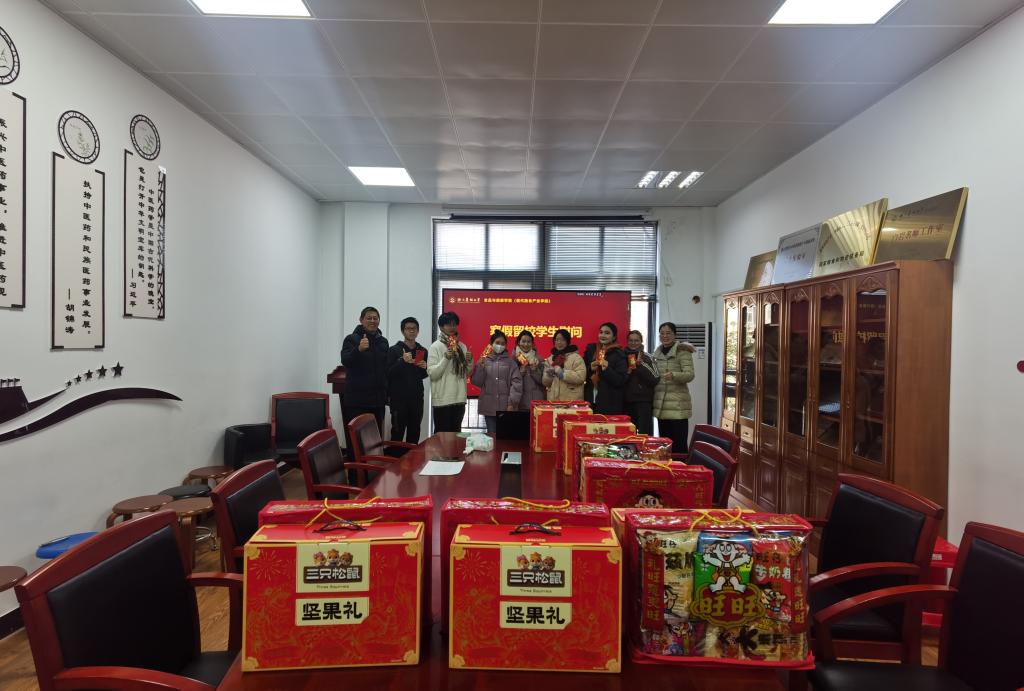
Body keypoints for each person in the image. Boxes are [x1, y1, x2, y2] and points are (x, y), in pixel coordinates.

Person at [340, 306, 390, 434]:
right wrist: (358, 350)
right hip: (358, 401)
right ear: (361, 320)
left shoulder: (383, 342)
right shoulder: (351, 339)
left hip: (378, 401)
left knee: (375, 438)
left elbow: (386, 369)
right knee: (357, 439)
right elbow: (345, 361)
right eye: (369, 318)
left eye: (375, 318)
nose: (372, 321)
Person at [652, 322, 696, 453]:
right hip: (661, 406)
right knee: (665, 446)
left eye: (668, 333)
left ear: (675, 335)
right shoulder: (656, 354)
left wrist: (674, 375)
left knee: (679, 446)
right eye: (662, 333)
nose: (665, 336)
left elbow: (690, 375)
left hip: (678, 405)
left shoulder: (683, 352)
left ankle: (682, 466)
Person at [427, 311, 472, 433]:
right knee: (442, 437)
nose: (452, 327)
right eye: (448, 324)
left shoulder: (462, 346)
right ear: (441, 327)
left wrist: (469, 361)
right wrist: (446, 358)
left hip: (459, 399)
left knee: (456, 435)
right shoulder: (435, 347)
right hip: (443, 400)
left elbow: (466, 374)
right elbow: (432, 374)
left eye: (454, 324)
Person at [470, 330, 522, 434]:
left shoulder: (511, 363)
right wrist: (480, 368)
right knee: (492, 435)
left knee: (505, 436)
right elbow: (476, 382)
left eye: (503, 343)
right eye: (497, 343)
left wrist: (511, 403)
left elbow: (516, 384)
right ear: (491, 344)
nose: (500, 346)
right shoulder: (484, 360)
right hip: (489, 406)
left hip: (506, 407)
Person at [386, 317, 428, 444]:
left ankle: (412, 457)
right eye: (408, 329)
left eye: (414, 329)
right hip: (398, 399)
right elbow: (388, 373)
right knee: (397, 433)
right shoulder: (394, 350)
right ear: (402, 331)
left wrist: (425, 368)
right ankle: (395, 456)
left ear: (418, 331)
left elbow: (422, 375)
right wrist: (401, 361)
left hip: (416, 398)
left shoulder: (422, 350)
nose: (411, 331)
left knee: (414, 432)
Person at [583, 322, 628, 415]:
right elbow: (582, 375)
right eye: (601, 332)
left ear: (614, 337)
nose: (603, 335)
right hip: (590, 400)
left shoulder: (619, 354)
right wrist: (590, 368)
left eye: (607, 333)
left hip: (610, 403)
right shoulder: (591, 350)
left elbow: (620, 380)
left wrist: (607, 369)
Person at [624, 330, 660, 435]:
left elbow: (655, 378)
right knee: (628, 434)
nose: (633, 343)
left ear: (641, 341)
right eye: (631, 340)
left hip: (643, 402)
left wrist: (641, 365)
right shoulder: (621, 356)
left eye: (636, 340)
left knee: (644, 434)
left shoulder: (648, 357)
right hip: (626, 402)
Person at [543, 329, 586, 401]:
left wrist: (563, 374)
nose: (559, 342)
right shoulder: (550, 359)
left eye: (563, 340)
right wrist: (549, 376)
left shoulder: (576, 358)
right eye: (557, 340)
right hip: (553, 401)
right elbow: (545, 383)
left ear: (567, 342)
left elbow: (581, 377)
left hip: (571, 401)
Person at [513, 330, 546, 410]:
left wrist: (534, 371)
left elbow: (544, 382)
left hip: (537, 403)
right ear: (518, 342)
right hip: (520, 402)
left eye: (529, 342)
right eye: (523, 341)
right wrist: (521, 373)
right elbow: (511, 382)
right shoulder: (513, 360)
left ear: (532, 343)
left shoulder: (539, 359)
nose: (526, 344)